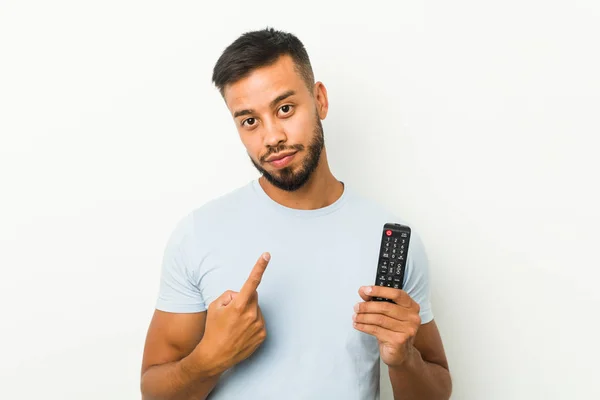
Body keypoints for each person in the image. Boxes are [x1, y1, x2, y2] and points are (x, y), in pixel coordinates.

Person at [140, 27, 452, 400]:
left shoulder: (390, 241)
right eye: (249, 121)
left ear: (319, 99)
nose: (271, 137)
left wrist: (403, 360)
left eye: (284, 109)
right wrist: (209, 359)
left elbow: (437, 389)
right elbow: (153, 392)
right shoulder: (198, 234)